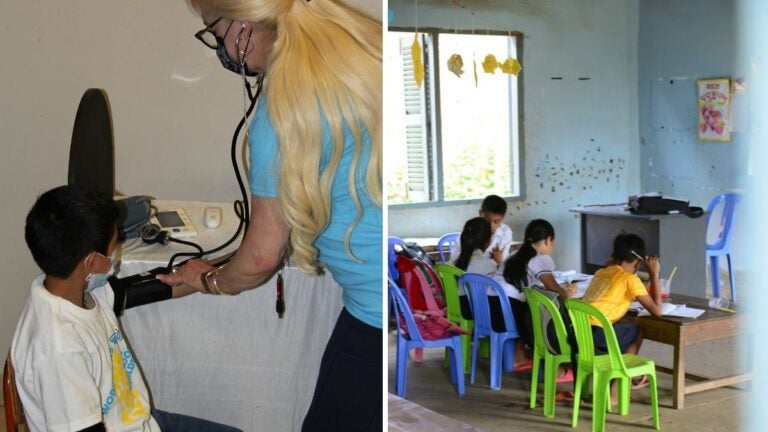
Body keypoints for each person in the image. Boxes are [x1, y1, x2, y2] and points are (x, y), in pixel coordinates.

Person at [157, 1, 382, 430]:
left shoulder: (280, 111)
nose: (219, 46)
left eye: (213, 31)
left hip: (373, 313)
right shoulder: (362, 50)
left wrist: (209, 279)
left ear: (243, 25)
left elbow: (261, 257)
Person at [12, 185, 241, 432]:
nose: (115, 256)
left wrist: (227, 266)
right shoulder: (58, 349)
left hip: (135, 420)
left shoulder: (77, 290)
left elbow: (160, 285)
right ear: (91, 261)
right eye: (113, 248)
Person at [502, 218, 577, 380]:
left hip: (495, 307)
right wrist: (569, 291)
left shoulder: (514, 255)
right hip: (513, 310)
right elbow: (555, 291)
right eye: (552, 242)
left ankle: (521, 356)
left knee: (532, 303)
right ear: (547, 240)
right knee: (544, 311)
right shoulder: (540, 258)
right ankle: (553, 363)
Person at [453, 217, 528, 369]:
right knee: (524, 309)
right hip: (480, 313)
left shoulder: (459, 261)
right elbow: (504, 282)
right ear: (488, 241)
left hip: (462, 307)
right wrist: (500, 261)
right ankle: (518, 355)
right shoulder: (488, 264)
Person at [581, 233, 663, 357]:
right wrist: (654, 274)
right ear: (638, 262)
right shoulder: (629, 279)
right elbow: (657, 311)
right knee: (637, 330)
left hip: (579, 329)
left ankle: (614, 367)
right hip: (597, 334)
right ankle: (626, 371)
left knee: (621, 328)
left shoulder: (601, 272)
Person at [450, 194, 514, 263]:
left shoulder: (505, 232)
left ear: (502, 219)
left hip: (492, 271)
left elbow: (503, 260)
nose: (491, 226)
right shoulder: (471, 229)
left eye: (496, 222)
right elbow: (456, 259)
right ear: (481, 213)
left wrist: (498, 261)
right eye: (487, 220)